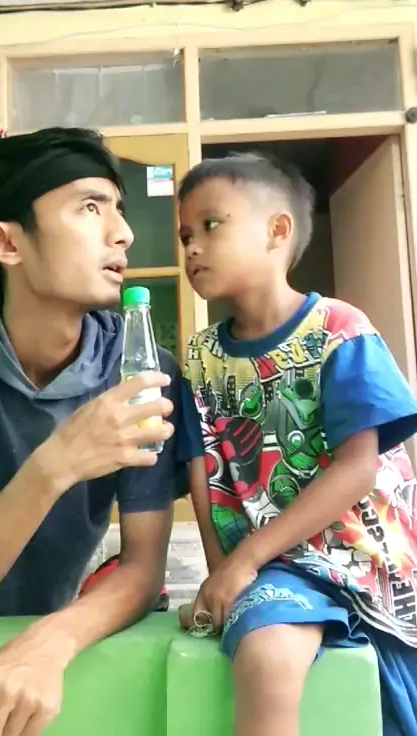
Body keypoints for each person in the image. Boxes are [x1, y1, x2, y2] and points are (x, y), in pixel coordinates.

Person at [0, 126, 189, 736]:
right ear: (7, 242)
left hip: (51, 652)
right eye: (89, 207)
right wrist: (57, 465)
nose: (123, 233)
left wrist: (50, 642)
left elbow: (142, 570)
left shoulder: (139, 370)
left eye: (118, 208)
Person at [177, 151, 417, 736]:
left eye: (211, 225)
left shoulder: (339, 330)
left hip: (360, 558)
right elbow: (204, 475)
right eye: (184, 236)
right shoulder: (199, 359)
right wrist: (220, 577)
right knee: (266, 650)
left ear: (277, 230)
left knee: (356, 689)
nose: (192, 247)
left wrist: (244, 562)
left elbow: (358, 469)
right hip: (273, 569)